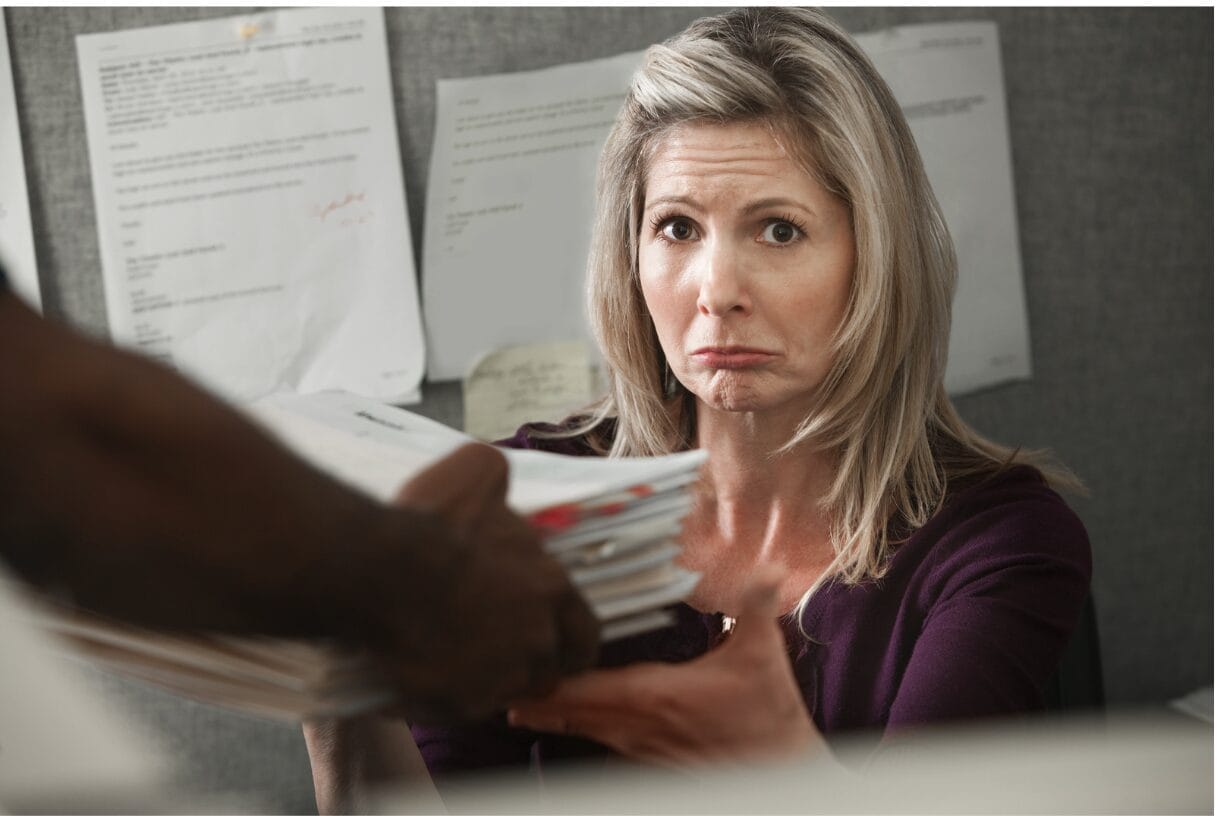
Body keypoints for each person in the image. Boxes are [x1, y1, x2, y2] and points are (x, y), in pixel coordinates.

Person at [304, 5, 1091, 804]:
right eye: (677, 227)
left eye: (779, 231)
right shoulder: (513, 505)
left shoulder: (998, 544)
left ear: (876, 259)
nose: (716, 291)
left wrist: (776, 763)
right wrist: (335, 697)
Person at [0, 262, 600, 725]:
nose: (702, 290)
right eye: (675, 227)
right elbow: (49, 417)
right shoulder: (529, 478)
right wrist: (406, 574)